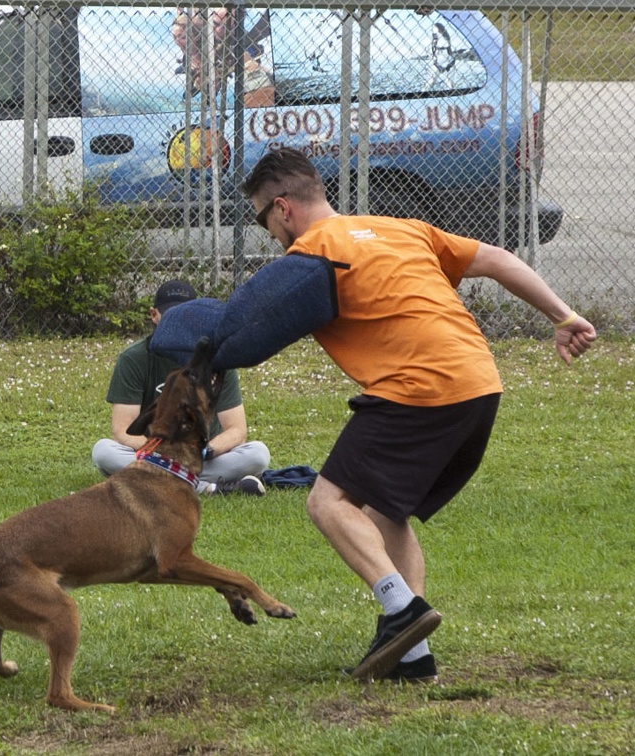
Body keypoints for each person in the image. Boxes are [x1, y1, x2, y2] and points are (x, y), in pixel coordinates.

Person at [240, 147, 597, 682]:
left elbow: (250, 323)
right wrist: (563, 316)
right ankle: (412, 655)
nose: (267, 231)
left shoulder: (310, 254)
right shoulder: (401, 227)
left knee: (327, 501)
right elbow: (498, 259)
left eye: (262, 218)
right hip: (479, 383)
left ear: (283, 208)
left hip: (419, 387)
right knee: (386, 514)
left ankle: (400, 608)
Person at [92, 280, 271, 496]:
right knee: (104, 452)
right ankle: (209, 488)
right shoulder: (134, 358)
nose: (177, 323)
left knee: (258, 455)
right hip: (153, 454)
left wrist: (202, 451)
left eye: (185, 317)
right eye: (170, 316)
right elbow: (122, 430)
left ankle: (160, 481)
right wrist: (165, 454)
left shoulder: (217, 360)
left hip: (203, 457)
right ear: (154, 315)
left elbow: (236, 430)